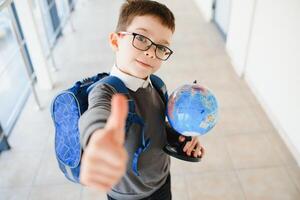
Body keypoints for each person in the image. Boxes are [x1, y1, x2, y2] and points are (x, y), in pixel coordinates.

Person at [79, 1, 205, 199]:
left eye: (162, 47)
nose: (151, 52)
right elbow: (97, 115)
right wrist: (96, 139)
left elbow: (156, 127)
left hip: (161, 181)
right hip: (128, 195)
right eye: (141, 38)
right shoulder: (105, 92)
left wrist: (182, 136)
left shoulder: (156, 84)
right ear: (115, 41)